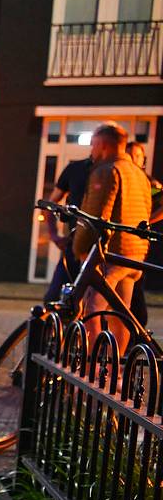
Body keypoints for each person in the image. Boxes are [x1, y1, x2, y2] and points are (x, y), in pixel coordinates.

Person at [73, 122, 152, 352]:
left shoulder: (107, 171)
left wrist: (80, 249)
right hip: (134, 255)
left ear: (103, 144)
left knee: (92, 309)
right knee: (121, 313)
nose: (92, 151)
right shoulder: (139, 173)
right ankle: (115, 372)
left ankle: (93, 370)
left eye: (93, 145)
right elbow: (145, 211)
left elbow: (96, 218)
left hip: (113, 253)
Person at [43, 153, 94, 302]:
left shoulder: (129, 174)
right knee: (53, 298)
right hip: (75, 242)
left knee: (94, 302)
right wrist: (54, 235)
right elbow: (51, 204)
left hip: (104, 246)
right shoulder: (75, 169)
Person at [126, 141, 162, 325]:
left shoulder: (150, 183)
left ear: (143, 159)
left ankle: (138, 327)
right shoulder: (123, 177)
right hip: (120, 239)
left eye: (137, 155)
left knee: (135, 287)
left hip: (137, 244)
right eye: (130, 154)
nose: (133, 159)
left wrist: (147, 221)